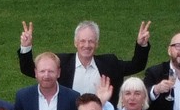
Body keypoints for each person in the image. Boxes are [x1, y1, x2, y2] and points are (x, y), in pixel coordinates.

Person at [18, 17, 152, 92]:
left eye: (91, 41)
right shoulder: (62, 63)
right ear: (75, 43)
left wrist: (141, 44)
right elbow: (29, 70)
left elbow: (137, 65)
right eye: (82, 41)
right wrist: (26, 46)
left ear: (97, 44)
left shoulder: (110, 63)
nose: (86, 45)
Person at [12, 52, 82, 110]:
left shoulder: (72, 97)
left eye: (51, 71)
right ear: (36, 73)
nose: (46, 76)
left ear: (58, 73)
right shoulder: (23, 97)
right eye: (42, 71)